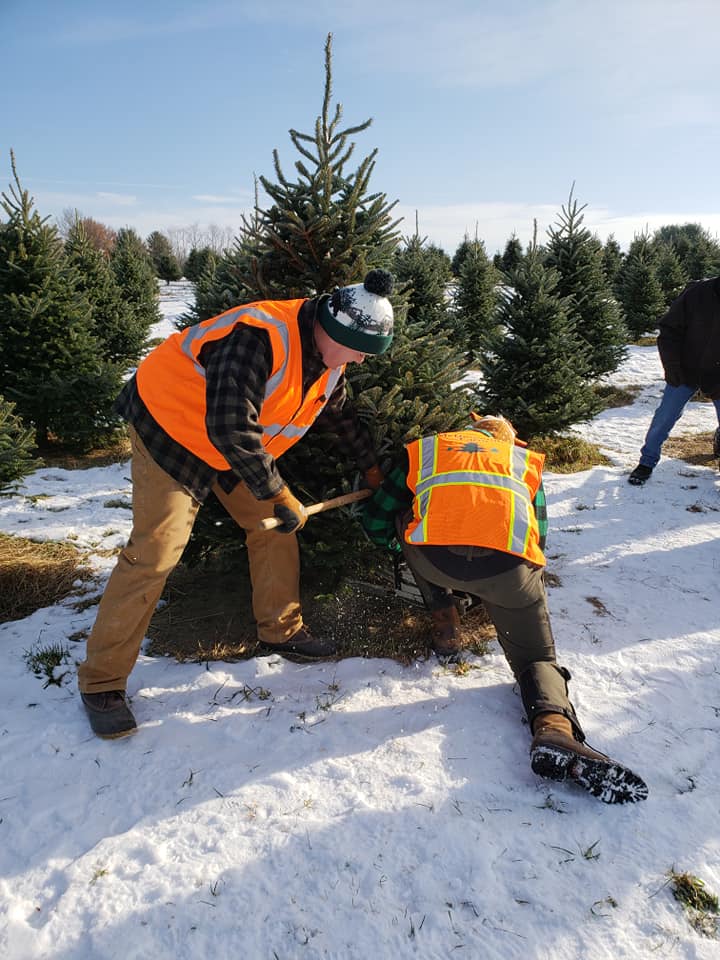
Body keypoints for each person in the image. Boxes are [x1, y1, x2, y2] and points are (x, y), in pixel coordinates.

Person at [78, 270, 394, 739]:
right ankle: (101, 682)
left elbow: (340, 417)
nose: (362, 360)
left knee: (276, 528)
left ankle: (282, 630)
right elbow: (230, 426)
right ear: (332, 331)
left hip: (231, 448)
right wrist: (278, 493)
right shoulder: (258, 336)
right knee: (156, 552)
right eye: (360, 350)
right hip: (171, 428)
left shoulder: (330, 362)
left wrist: (372, 470)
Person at [361, 414, 648, 804]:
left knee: (403, 519)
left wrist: (400, 548)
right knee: (537, 658)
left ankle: (445, 622)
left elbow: (376, 519)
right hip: (506, 574)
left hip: (432, 562)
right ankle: (553, 728)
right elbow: (537, 537)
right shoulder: (522, 462)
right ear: (510, 440)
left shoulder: (427, 450)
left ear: (469, 430)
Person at [629, 276, 720, 485]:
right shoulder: (697, 293)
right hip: (685, 369)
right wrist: (672, 366)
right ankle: (646, 462)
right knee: (665, 416)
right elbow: (669, 330)